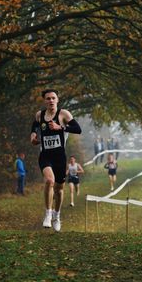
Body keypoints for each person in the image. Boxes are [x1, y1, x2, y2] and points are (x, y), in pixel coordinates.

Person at [30, 88, 82, 232]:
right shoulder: (39, 115)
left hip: (60, 157)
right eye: (48, 98)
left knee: (59, 190)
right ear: (44, 101)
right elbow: (34, 126)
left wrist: (61, 127)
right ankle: (47, 213)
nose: (51, 101)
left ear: (57, 100)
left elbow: (78, 129)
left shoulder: (63, 114)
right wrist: (33, 136)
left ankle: (57, 216)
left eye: (53, 98)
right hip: (45, 156)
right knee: (49, 181)